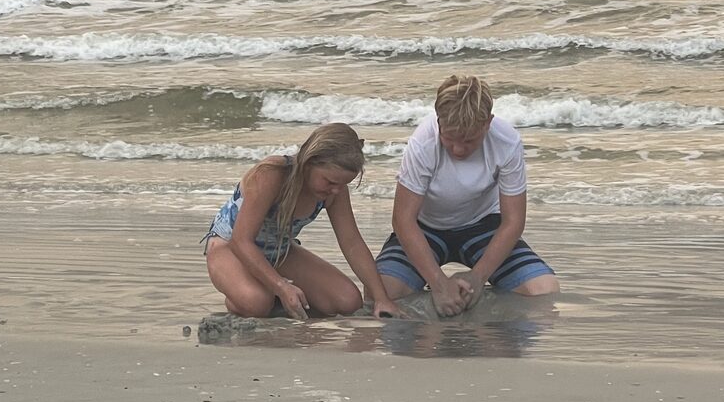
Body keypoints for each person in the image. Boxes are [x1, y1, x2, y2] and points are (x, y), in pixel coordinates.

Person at [376, 75, 559, 317]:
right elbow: (403, 220)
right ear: (438, 121)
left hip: (482, 226)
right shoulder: (422, 143)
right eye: (449, 139)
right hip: (426, 229)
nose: (458, 149)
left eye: (470, 140)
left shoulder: (507, 141)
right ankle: (439, 313)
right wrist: (439, 284)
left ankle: (479, 316)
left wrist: (478, 277)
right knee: (381, 292)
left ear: (488, 123)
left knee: (545, 290)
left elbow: (513, 221)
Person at [203, 123, 404, 321]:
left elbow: (351, 242)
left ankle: (272, 292)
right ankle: (246, 296)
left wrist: (381, 298)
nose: (336, 190)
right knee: (257, 303)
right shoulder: (272, 174)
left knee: (348, 302)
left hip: (278, 252)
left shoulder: (336, 190)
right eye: (330, 182)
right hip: (229, 247)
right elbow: (241, 241)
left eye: (343, 184)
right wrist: (281, 286)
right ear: (309, 162)